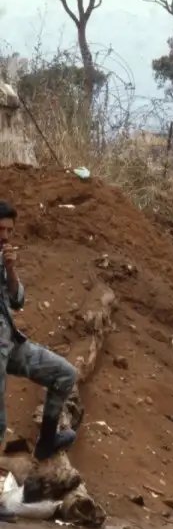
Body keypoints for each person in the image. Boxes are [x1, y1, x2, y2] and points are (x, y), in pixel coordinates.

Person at [0, 200, 79, 476]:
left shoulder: (3, 257)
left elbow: (18, 300)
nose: (6, 236)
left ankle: (46, 442)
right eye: (1, 229)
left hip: (10, 343)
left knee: (64, 374)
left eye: (9, 230)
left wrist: (10, 269)